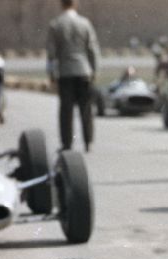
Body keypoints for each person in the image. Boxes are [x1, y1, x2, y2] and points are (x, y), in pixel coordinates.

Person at [47, 0, 100, 152]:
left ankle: (67, 143)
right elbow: (93, 49)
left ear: (61, 4)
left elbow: (51, 54)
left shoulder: (56, 24)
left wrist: (51, 74)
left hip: (65, 72)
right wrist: (94, 70)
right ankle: (88, 141)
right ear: (75, 4)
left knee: (66, 110)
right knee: (86, 109)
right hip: (84, 70)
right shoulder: (84, 23)